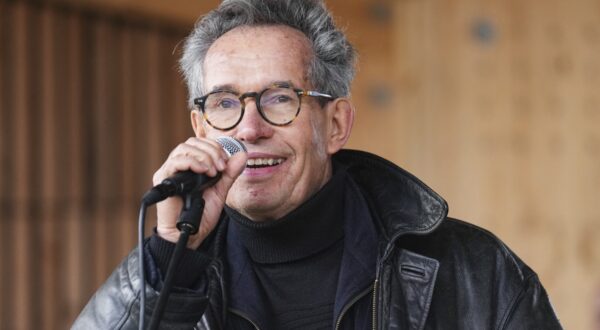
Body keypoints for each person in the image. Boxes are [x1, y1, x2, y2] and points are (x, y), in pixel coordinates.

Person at [73, 0, 562, 329]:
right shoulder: (166, 266)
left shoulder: (476, 271)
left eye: (279, 98)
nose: (248, 129)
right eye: (224, 104)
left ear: (336, 125)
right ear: (201, 130)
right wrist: (171, 264)